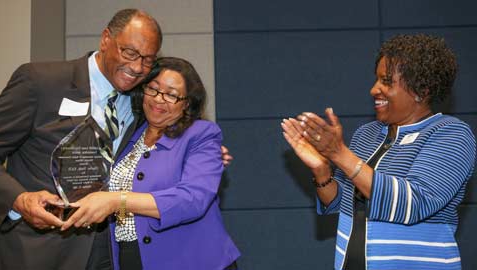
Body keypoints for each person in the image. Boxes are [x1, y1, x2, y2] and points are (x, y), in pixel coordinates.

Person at [0, 9, 232, 270]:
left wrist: (203, 154)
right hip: (41, 250)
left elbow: (167, 146)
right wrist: (20, 200)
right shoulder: (40, 82)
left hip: (111, 254)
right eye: (129, 53)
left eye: (147, 60)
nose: (136, 67)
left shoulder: (139, 101)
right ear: (105, 39)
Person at [282, 34, 476, 269]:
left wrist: (340, 154)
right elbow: (340, 202)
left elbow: (413, 204)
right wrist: (322, 170)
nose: (374, 90)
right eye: (376, 80)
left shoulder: (450, 134)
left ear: (421, 91)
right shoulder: (367, 134)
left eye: (386, 81)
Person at [58, 57, 240, 270]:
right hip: (131, 258)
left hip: (192, 260)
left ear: (187, 103)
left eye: (171, 95)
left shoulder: (201, 134)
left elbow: (193, 199)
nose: (159, 99)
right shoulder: (128, 136)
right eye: (153, 89)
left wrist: (118, 201)